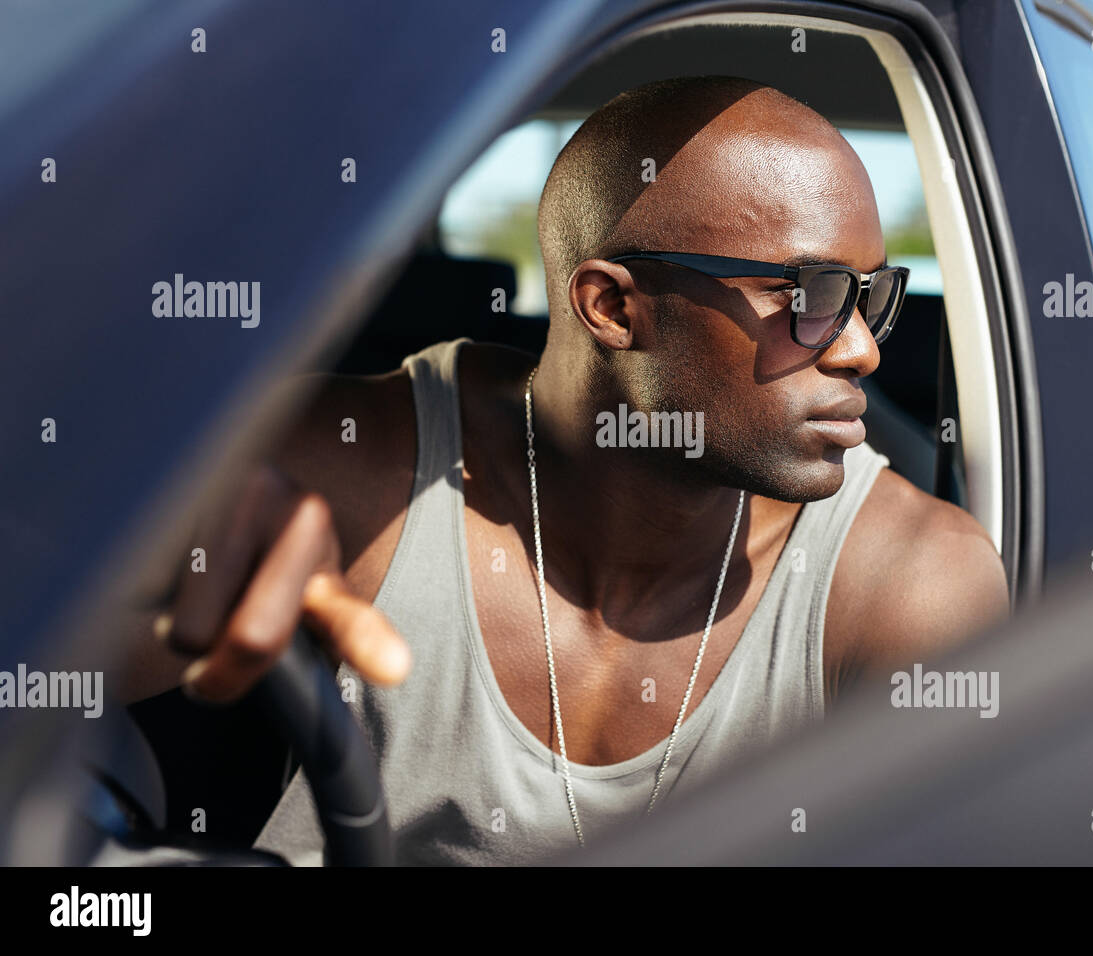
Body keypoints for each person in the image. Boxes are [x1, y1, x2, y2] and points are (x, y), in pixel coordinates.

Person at [120, 75, 1009, 864]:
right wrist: (139, 574)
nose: (861, 350)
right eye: (811, 297)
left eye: (870, 297)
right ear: (613, 307)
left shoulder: (906, 584)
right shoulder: (349, 469)